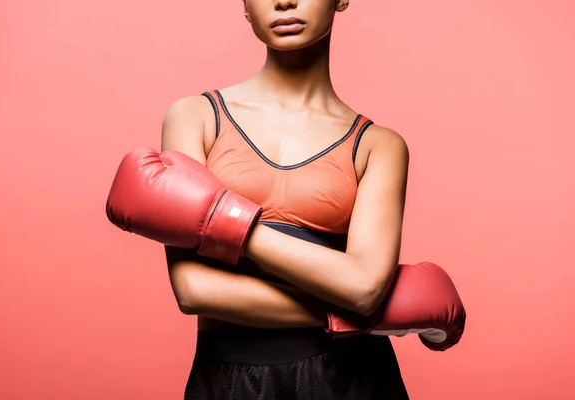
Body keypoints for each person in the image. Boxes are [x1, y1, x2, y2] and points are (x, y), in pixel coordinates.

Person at [105, 0, 466, 398]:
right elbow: (194, 290)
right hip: (230, 381)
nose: (284, 1)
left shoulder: (379, 146)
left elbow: (364, 289)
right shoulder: (196, 117)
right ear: (244, 5)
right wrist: (352, 315)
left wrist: (223, 222)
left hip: (353, 380)